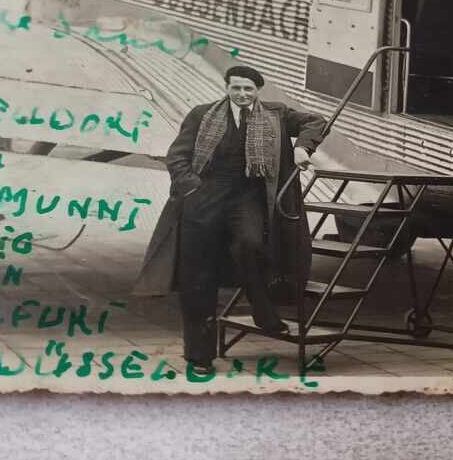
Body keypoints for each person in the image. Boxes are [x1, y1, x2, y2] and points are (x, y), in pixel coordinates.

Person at [132, 65, 327, 377]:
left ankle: (262, 310)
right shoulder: (202, 114)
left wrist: (302, 148)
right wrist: (193, 188)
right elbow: (177, 156)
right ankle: (199, 357)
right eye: (236, 88)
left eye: (248, 89)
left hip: (248, 198)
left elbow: (316, 121)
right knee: (197, 275)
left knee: (252, 245)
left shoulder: (275, 115)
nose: (242, 94)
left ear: (258, 91)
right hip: (205, 199)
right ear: (226, 87)